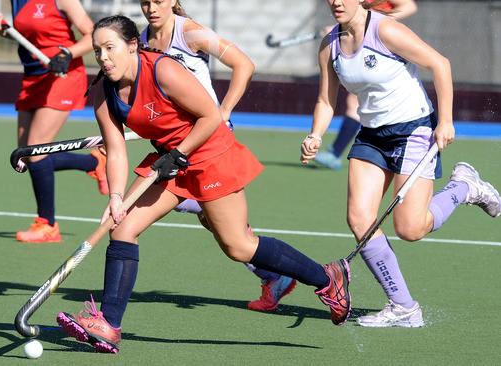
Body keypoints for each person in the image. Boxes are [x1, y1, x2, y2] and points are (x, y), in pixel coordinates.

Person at [55, 15, 351, 354]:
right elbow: (117, 151)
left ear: (132, 45)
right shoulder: (105, 95)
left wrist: (180, 152)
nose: (104, 57)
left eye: (110, 48)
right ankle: (109, 324)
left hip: (210, 154)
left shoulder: (162, 70)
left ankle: (328, 278)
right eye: (97, 51)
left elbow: (211, 115)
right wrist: (117, 197)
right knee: (122, 228)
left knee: (238, 246)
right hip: (169, 162)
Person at [301, 0, 500, 327]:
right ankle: (403, 306)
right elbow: (326, 99)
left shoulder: (385, 30)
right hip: (371, 136)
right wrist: (315, 135)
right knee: (360, 219)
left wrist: (446, 121)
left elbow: (440, 64)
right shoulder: (330, 45)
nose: (336, 2)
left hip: (413, 131)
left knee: (410, 228)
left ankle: (465, 187)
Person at [138, 0, 296, 312]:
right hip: (177, 144)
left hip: (209, 139)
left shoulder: (190, 33)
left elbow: (244, 64)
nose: (152, 8)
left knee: (216, 221)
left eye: (158, 1)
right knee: (211, 220)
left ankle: (295, 275)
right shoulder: (143, 39)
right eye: (145, 2)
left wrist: (223, 111)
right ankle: (272, 276)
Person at [0, 0, 107, 243]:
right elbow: (33, 37)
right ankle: (93, 163)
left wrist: (67, 53)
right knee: (25, 155)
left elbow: (92, 34)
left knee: (35, 149)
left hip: (62, 77)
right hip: (33, 78)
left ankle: (47, 225)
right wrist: (7, 31)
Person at [314, 0, 418, 170]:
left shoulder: (381, 25)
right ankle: (336, 152)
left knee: (356, 103)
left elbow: (409, 6)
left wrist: (372, 21)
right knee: (353, 103)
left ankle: (336, 152)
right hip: (360, 43)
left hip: (379, 44)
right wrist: (347, 26)